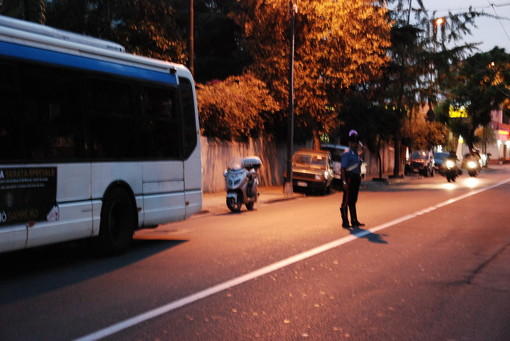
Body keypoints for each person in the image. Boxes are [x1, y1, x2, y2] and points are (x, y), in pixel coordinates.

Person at [340, 130, 365, 229]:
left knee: (353, 199)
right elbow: (343, 168)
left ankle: (354, 220)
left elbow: (362, 153)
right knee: (346, 200)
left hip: (356, 178)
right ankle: (345, 221)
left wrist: (361, 146)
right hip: (349, 178)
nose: (356, 144)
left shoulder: (355, 154)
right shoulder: (347, 153)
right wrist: (344, 181)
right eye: (354, 142)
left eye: (357, 142)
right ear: (350, 143)